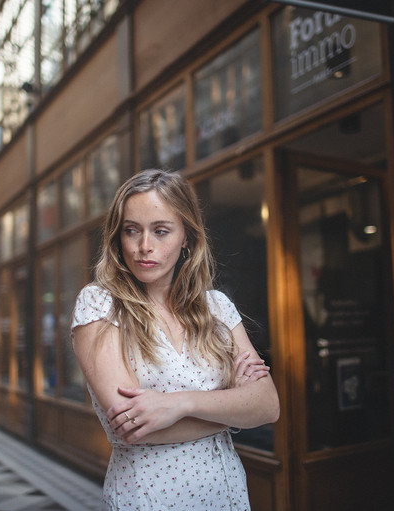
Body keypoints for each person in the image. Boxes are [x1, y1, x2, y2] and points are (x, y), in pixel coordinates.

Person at [71, 169, 280, 510]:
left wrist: (178, 404)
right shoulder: (100, 304)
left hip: (225, 493)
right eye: (131, 231)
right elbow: (133, 427)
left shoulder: (216, 308)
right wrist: (235, 405)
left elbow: (268, 405)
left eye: (161, 231)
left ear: (186, 236)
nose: (144, 247)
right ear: (117, 237)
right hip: (149, 498)